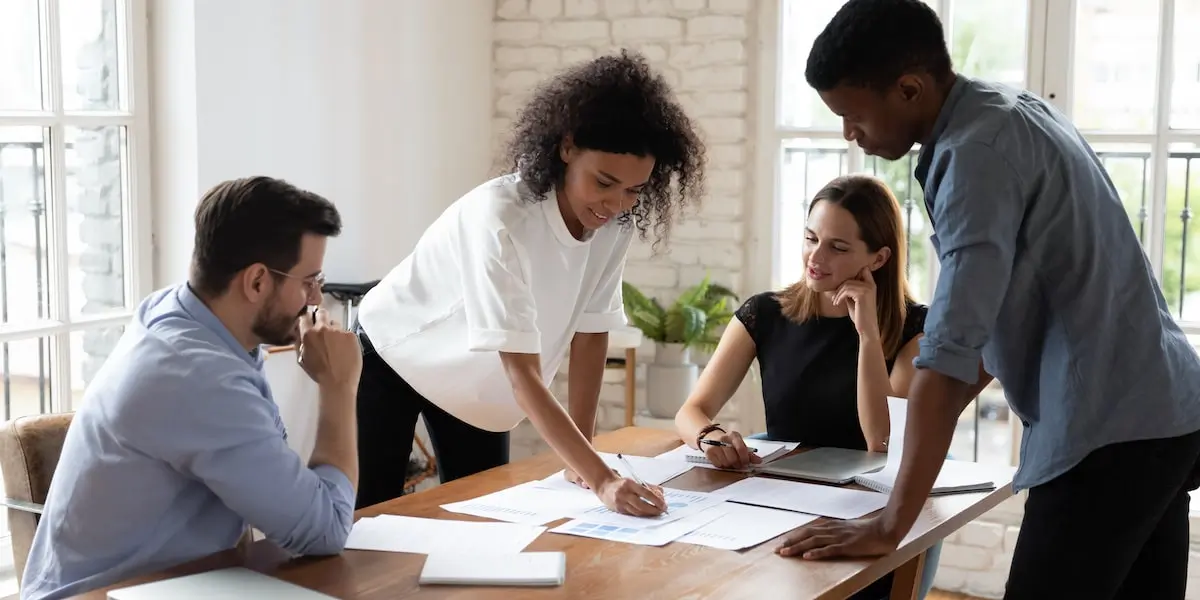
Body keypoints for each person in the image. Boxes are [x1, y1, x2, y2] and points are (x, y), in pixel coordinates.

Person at [777, 1, 1200, 598]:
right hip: (1168, 414)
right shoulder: (1013, 110)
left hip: (1107, 433)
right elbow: (982, 334)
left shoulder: (972, 155)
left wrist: (891, 522)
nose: (849, 133)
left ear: (907, 88)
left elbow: (950, 352)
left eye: (852, 114)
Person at [352, 50, 707, 515]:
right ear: (566, 149)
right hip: (395, 354)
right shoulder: (500, 218)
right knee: (368, 516)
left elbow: (591, 331)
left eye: (633, 190)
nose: (616, 203)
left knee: (486, 523)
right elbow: (522, 372)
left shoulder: (614, 225)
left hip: (480, 387)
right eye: (603, 182)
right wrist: (603, 481)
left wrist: (583, 458)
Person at [20, 177, 362, 600]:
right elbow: (325, 530)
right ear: (256, 282)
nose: (316, 298)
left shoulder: (178, 312)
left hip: (179, 584)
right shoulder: (198, 375)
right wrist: (339, 387)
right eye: (309, 281)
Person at [673, 174, 941, 600]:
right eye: (811, 238)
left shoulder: (916, 330)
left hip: (878, 518)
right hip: (784, 505)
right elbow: (691, 411)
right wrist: (710, 437)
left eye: (838, 247)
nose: (815, 257)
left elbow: (881, 441)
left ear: (878, 258)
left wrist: (868, 336)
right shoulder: (765, 313)